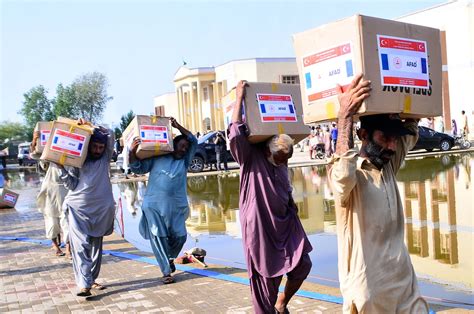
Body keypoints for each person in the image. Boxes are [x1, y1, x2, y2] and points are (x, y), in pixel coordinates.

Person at [328, 74, 428, 313]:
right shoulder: (351, 179)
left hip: (404, 287)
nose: (392, 146)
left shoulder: (388, 165)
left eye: (394, 139)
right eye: (385, 138)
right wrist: (345, 117)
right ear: (364, 136)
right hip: (369, 294)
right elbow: (341, 171)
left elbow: (412, 125)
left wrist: (412, 85)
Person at [229, 81, 312, 314]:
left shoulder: (280, 158)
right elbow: (235, 131)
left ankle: (282, 301)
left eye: (287, 158)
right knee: (265, 284)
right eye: (280, 157)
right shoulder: (250, 157)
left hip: (286, 224)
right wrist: (239, 97)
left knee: (303, 265)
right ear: (267, 150)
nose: (284, 162)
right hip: (261, 229)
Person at [129, 117, 197, 284]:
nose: (184, 149)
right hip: (154, 206)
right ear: (172, 145)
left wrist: (178, 126)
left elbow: (193, 140)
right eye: (181, 146)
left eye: (185, 148)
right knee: (159, 236)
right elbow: (137, 168)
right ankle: (166, 271)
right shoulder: (157, 157)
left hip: (177, 207)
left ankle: (169, 257)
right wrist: (132, 151)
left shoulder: (184, 161)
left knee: (180, 236)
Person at [59, 119, 115, 297]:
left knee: (96, 248)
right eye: (95, 147)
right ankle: (84, 285)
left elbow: (111, 134)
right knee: (80, 246)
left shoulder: (105, 158)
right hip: (78, 209)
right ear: (88, 146)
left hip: (101, 209)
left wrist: (92, 125)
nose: (98, 150)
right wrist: (60, 168)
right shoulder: (78, 160)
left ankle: (90, 278)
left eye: (101, 147)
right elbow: (71, 184)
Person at [31, 132, 70, 258]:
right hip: (51, 191)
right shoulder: (50, 155)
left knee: (67, 222)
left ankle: (69, 248)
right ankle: (56, 246)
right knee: (52, 222)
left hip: (66, 190)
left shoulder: (72, 156)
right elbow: (36, 154)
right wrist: (34, 140)